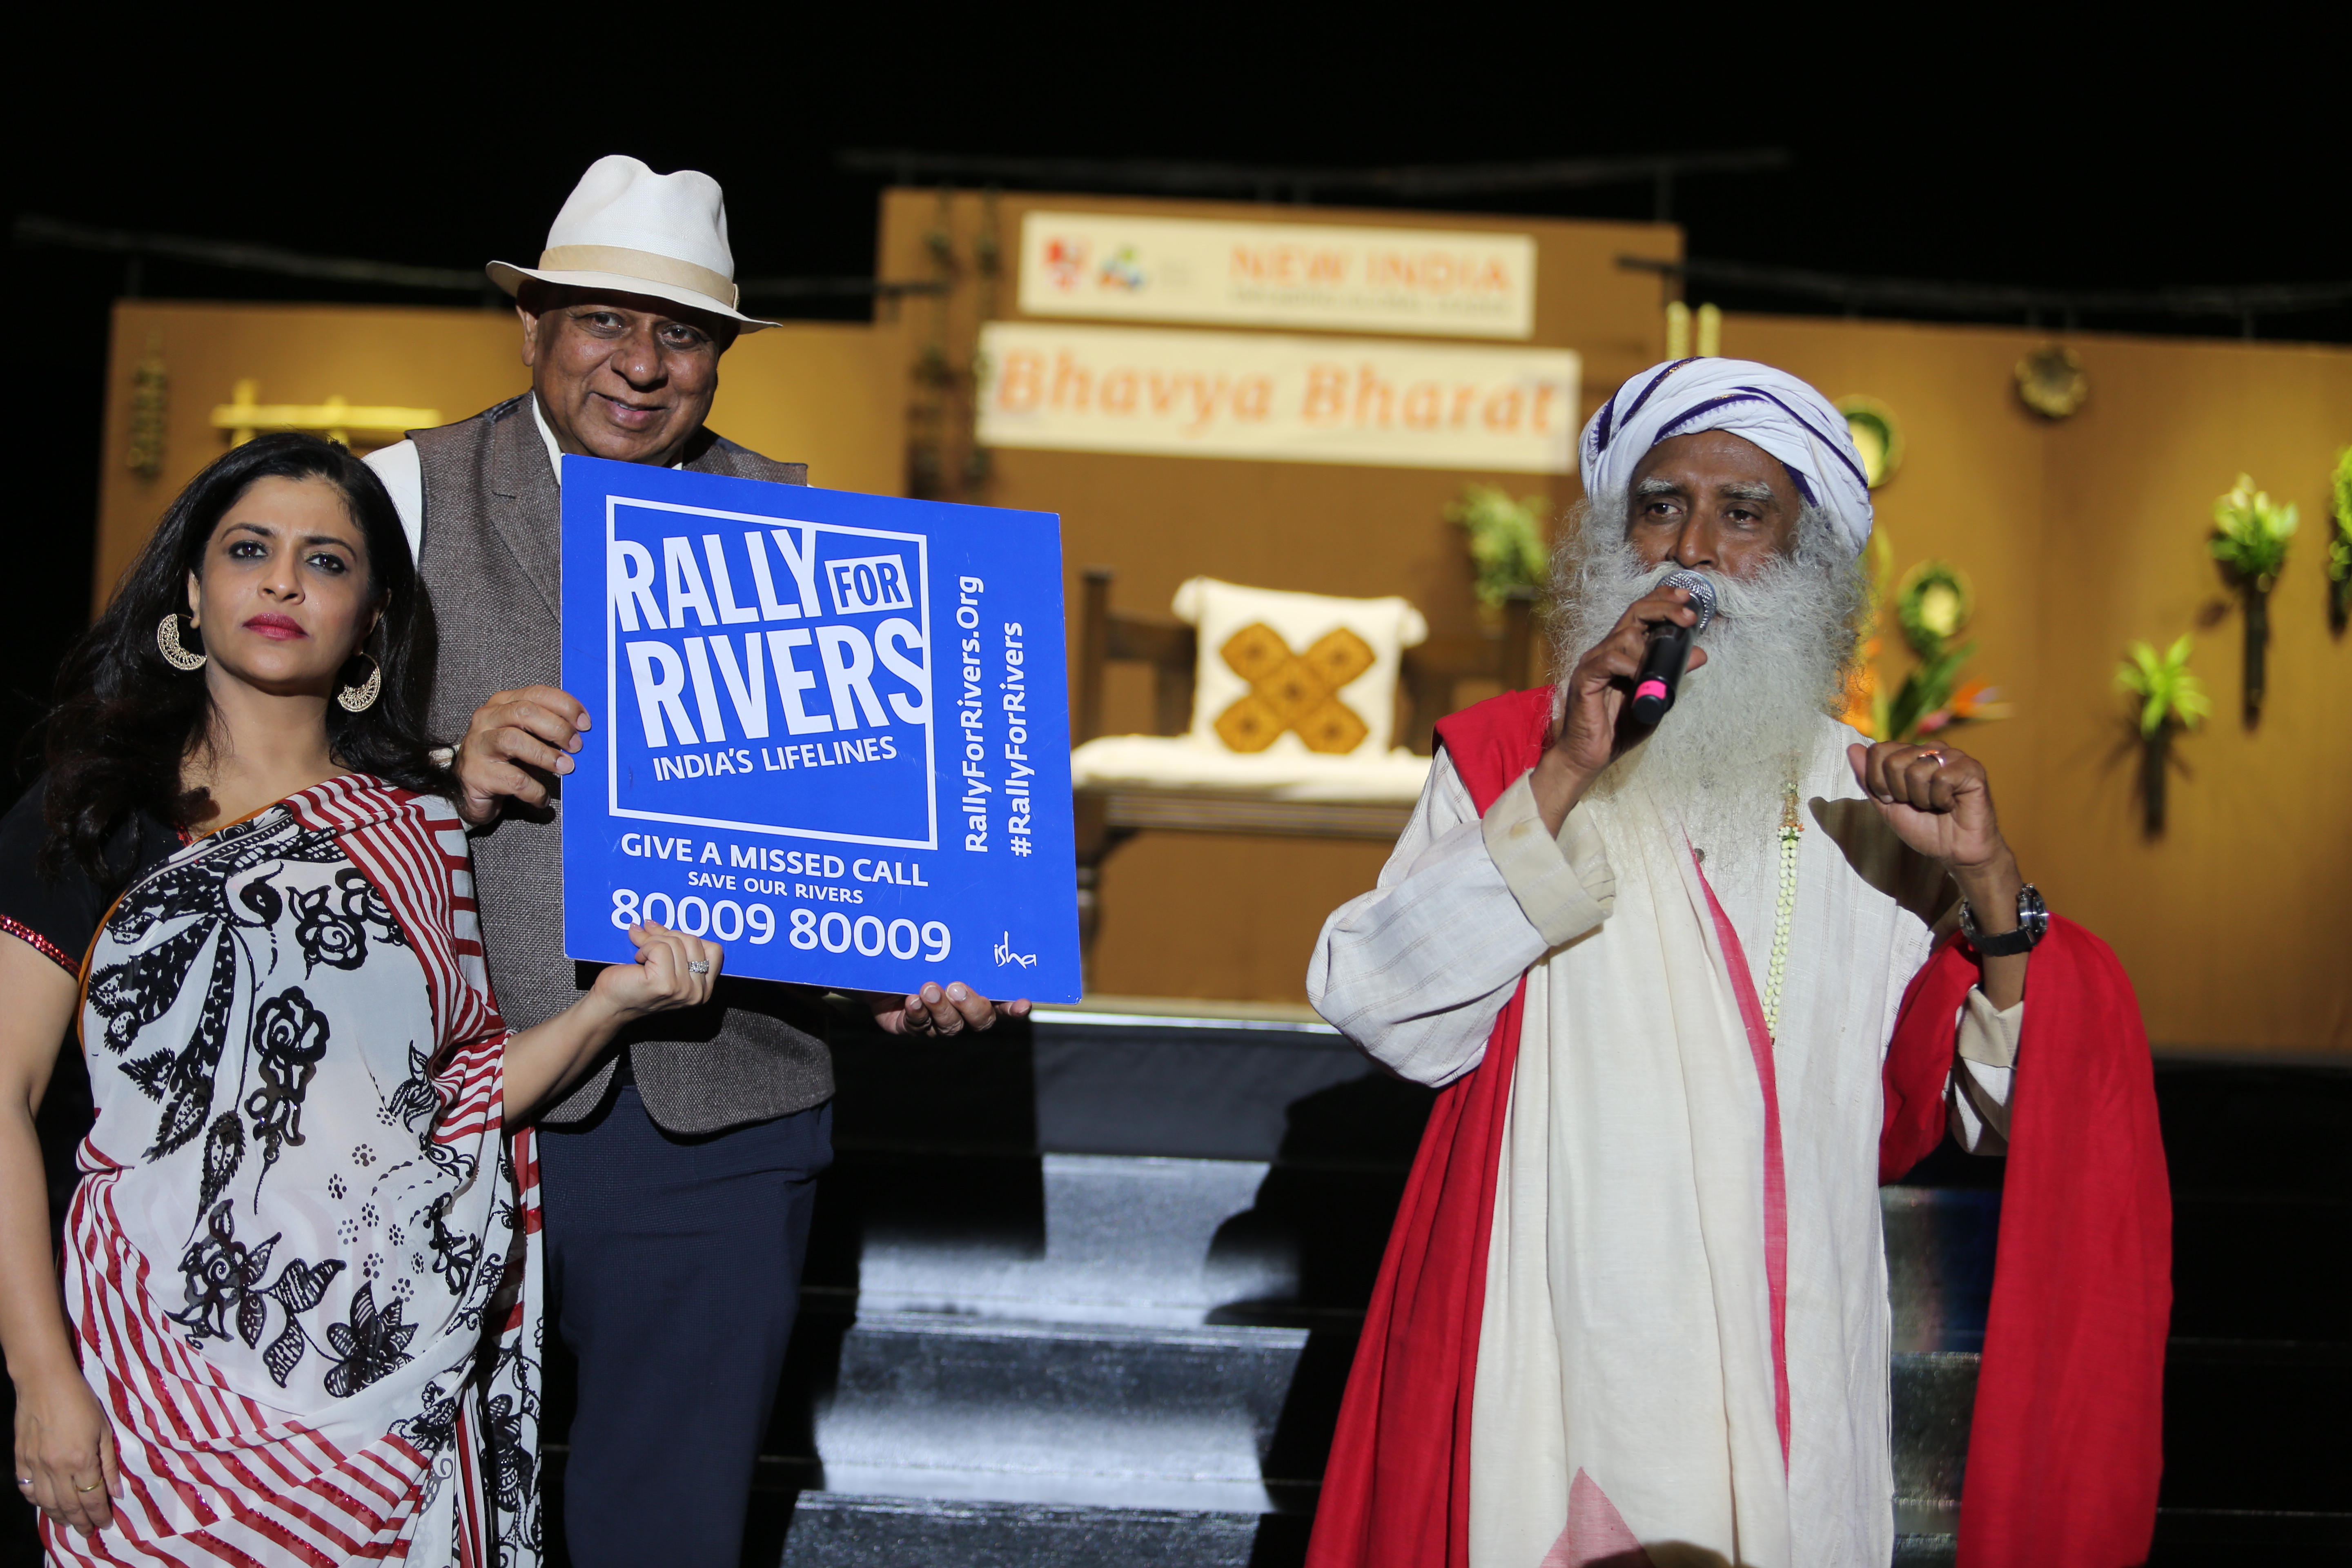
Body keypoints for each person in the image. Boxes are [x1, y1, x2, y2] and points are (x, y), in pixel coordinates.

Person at [1302, 360, 2170, 1568]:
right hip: (1563, 1345)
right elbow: (1386, 1008)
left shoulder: (1872, 803)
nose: (1692, 549)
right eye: (1660, 506)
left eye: (1744, 513)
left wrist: (1988, 890)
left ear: (1813, 558)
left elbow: (2004, 1116)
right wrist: (1563, 778)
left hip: (1795, 1356)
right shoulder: (1519, 754)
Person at [363, 155, 1025, 1568]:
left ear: (721, 360)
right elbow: (253, 784)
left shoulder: (809, 540)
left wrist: (914, 974)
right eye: (604, 321)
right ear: (529, 327)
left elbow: (844, 864)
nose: (642, 365)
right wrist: (439, 773)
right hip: (451, 1102)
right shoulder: (395, 500)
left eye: (682, 335)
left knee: (665, 1534)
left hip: (721, 1123)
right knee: (411, 1516)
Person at [1, 434, 720, 1564]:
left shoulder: (419, 832)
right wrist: (43, 1375)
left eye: (327, 563)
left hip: (391, 1402)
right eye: (250, 550)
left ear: (374, 620)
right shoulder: (94, 809)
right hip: (154, 1399)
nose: (284, 581)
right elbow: (3, 1096)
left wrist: (607, 1012)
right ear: (192, 591)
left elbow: (449, 1107)